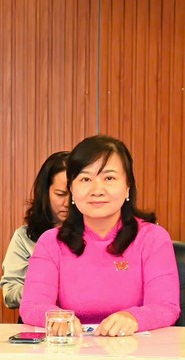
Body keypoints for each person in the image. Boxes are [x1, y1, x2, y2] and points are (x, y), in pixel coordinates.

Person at [20, 135, 179, 335]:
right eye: (85, 179)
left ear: (127, 185)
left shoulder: (153, 238)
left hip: (135, 357)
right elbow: (32, 305)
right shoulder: (51, 242)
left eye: (109, 178)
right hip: (69, 356)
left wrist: (134, 318)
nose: (97, 190)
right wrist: (56, 317)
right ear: (71, 188)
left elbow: (166, 306)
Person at [0, 152, 70, 309]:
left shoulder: (94, 234)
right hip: (39, 324)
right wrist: (43, 291)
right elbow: (10, 292)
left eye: (73, 195)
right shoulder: (25, 236)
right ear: (45, 193)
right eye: (60, 194)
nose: (67, 203)